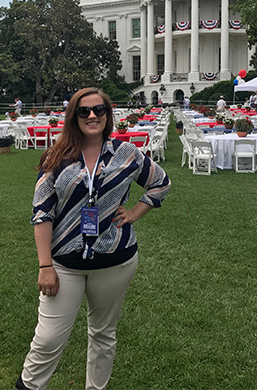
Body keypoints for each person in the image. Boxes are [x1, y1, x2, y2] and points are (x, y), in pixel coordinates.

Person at [15, 87, 171, 390]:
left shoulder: (127, 154)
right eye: (83, 110)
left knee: (103, 334)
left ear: (107, 115)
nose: (91, 116)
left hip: (115, 260)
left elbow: (161, 183)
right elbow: (41, 213)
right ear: (73, 116)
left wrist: (135, 213)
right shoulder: (56, 156)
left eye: (99, 110)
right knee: (48, 338)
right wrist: (44, 265)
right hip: (63, 265)